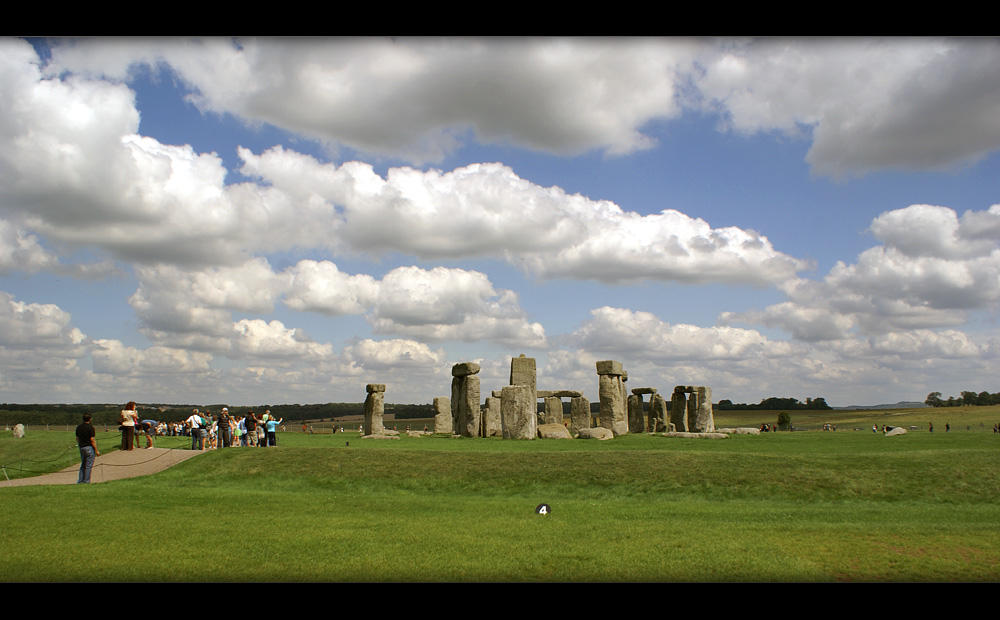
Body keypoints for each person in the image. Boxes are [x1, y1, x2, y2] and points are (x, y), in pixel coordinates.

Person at [76, 413, 100, 484]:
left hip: (82, 447)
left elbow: (77, 438)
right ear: (90, 419)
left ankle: (80, 480)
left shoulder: (79, 427)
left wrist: (80, 443)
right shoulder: (91, 428)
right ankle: (86, 481)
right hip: (89, 447)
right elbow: (92, 439)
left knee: (83, 464)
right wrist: (96, 450)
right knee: (88, 465)